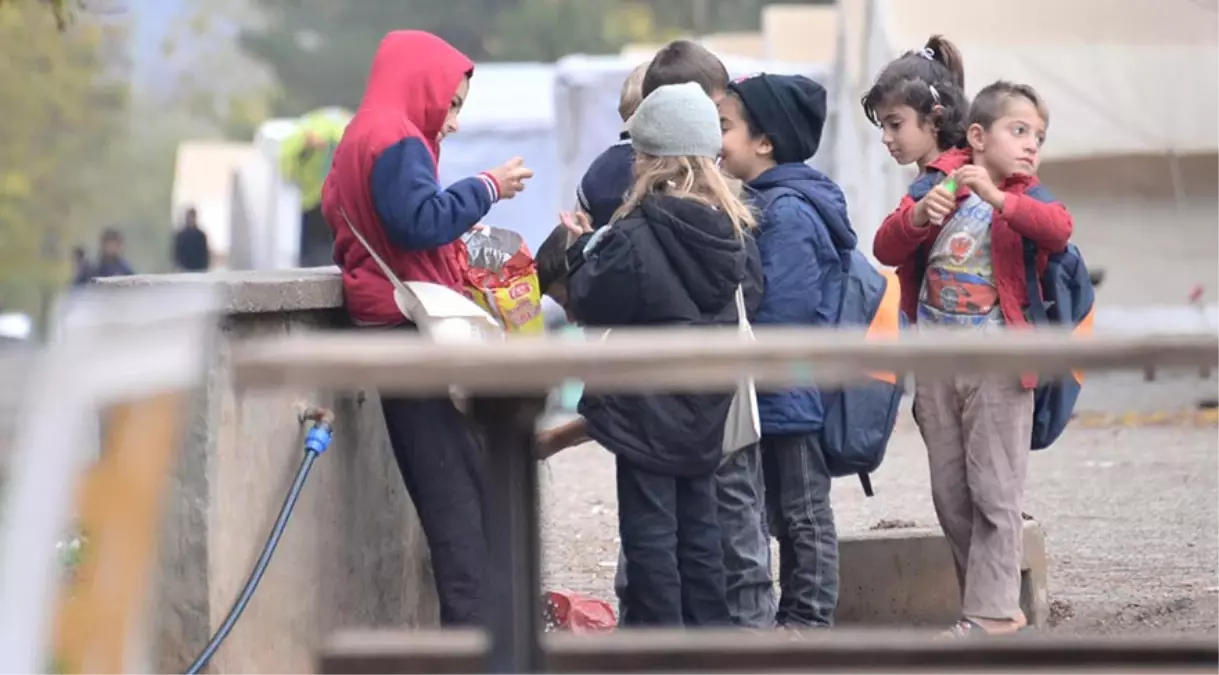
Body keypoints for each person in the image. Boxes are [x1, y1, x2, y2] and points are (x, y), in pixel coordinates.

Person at [319, 30, 533, 627]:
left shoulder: (360, 134)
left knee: (455, 501)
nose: (454, 122)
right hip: (411, 335)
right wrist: (488, 187)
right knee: (460, 513)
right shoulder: (396, 138)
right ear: (423, 85)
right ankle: (477, 647)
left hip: (387, 328)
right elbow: (419, 221)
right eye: (454, 103)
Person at [873, 81, 1073, 637]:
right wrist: (918, 218)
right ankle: (981, 606)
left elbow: (1057, 231)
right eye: (1019, 130)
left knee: (995, 491)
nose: (1031, 144)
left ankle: (993, 616)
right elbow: (885, 247)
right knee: (951, 492)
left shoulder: (1028, 198)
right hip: (937, 364)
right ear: (979, 136)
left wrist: (1001, 198)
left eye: (1038, 135)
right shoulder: (940, 185)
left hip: (999, 367)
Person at [561, 82, 759, 627]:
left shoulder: (635, 232)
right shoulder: (734, 229)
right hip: (705, 406)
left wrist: (580, 248)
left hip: (645, 408)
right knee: (700, 531)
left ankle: (659, 648)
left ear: (648, 158)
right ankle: (707, 647)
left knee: (650, 536)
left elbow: (593, 301)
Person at [718, 73, 856, 628]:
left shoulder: (789, 213)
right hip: (771, 386)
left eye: (725, 127)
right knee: (778, 509)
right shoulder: (766, 203)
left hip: (788, 385)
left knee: (802, 512)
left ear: (765, 142)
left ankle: (807, 621)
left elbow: (786, 309)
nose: (716, 140)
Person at [860, 35, 968, 173]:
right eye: (883, 126)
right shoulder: (931, 183)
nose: (885, 138)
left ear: (936, 119)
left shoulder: (954, 180)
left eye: (895, 124)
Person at [173, 206, 211, 272]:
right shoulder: (181, 236)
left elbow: (205, 255)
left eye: (192, 217)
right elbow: (177, 254)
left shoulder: (200, 236)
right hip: (184, 271)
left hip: (198, 271)